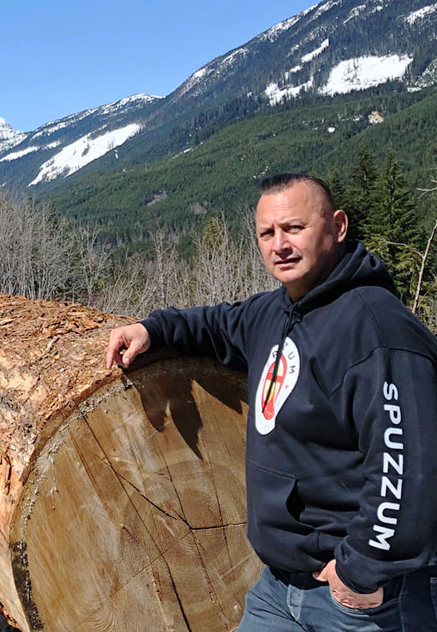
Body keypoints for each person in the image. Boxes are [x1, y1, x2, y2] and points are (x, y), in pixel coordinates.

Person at [106, 173, 437, 631]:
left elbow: (409, 468)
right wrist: (153, 329)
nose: (279, 244)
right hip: (279, 590)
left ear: (338, 227)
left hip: (361, 603)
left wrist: (360, 571)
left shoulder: (377, 332)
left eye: (294, 228)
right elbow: (218, 325)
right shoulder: (277, 312)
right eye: (267, 233)